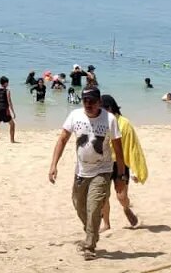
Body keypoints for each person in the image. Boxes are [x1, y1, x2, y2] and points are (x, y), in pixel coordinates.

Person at [48, 87, 124, 261]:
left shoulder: (110, 119)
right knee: (78, 204)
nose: (88, 104)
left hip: (102, 171)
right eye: (85, 101)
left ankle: (89, 245)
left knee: (94, 207)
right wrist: (53, 164)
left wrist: (120, 176)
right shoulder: (75, 116)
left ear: (99, 102)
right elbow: (62, 139)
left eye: (92, 101)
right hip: (81, 171)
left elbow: (118, 150)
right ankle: (92, 232)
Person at [100, 94, 146, 230]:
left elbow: (133, 146)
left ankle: (126, 208)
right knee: (103, 196)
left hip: (120, 163)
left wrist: (136, 170)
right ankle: (106, 224)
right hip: (103, 164)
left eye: (102, 109)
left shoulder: (124, 123)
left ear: (109, 108)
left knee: (121, 196)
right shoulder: (99, 122)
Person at [0, 76, 16, 144]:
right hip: (4, 109)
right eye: (7, 83)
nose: (8, 84)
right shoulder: (7, 91)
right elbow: (9, 101)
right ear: (5, 83)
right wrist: (13, 111)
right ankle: (12, 140)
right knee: (12, 124)